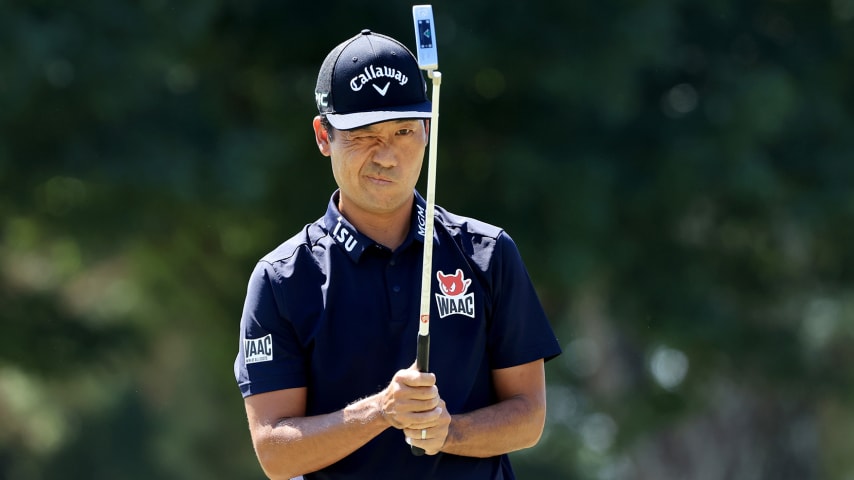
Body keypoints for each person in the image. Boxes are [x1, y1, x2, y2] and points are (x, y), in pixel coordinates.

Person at [234, 29, 562, 480]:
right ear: (323, 135)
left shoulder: (488, 254)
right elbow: (275, 451)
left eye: (404, 131)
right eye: (363, 134)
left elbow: (528, 417)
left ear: (428, 129)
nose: (387, 156)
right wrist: (381, 412)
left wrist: (448, 432)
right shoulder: (282, 279)